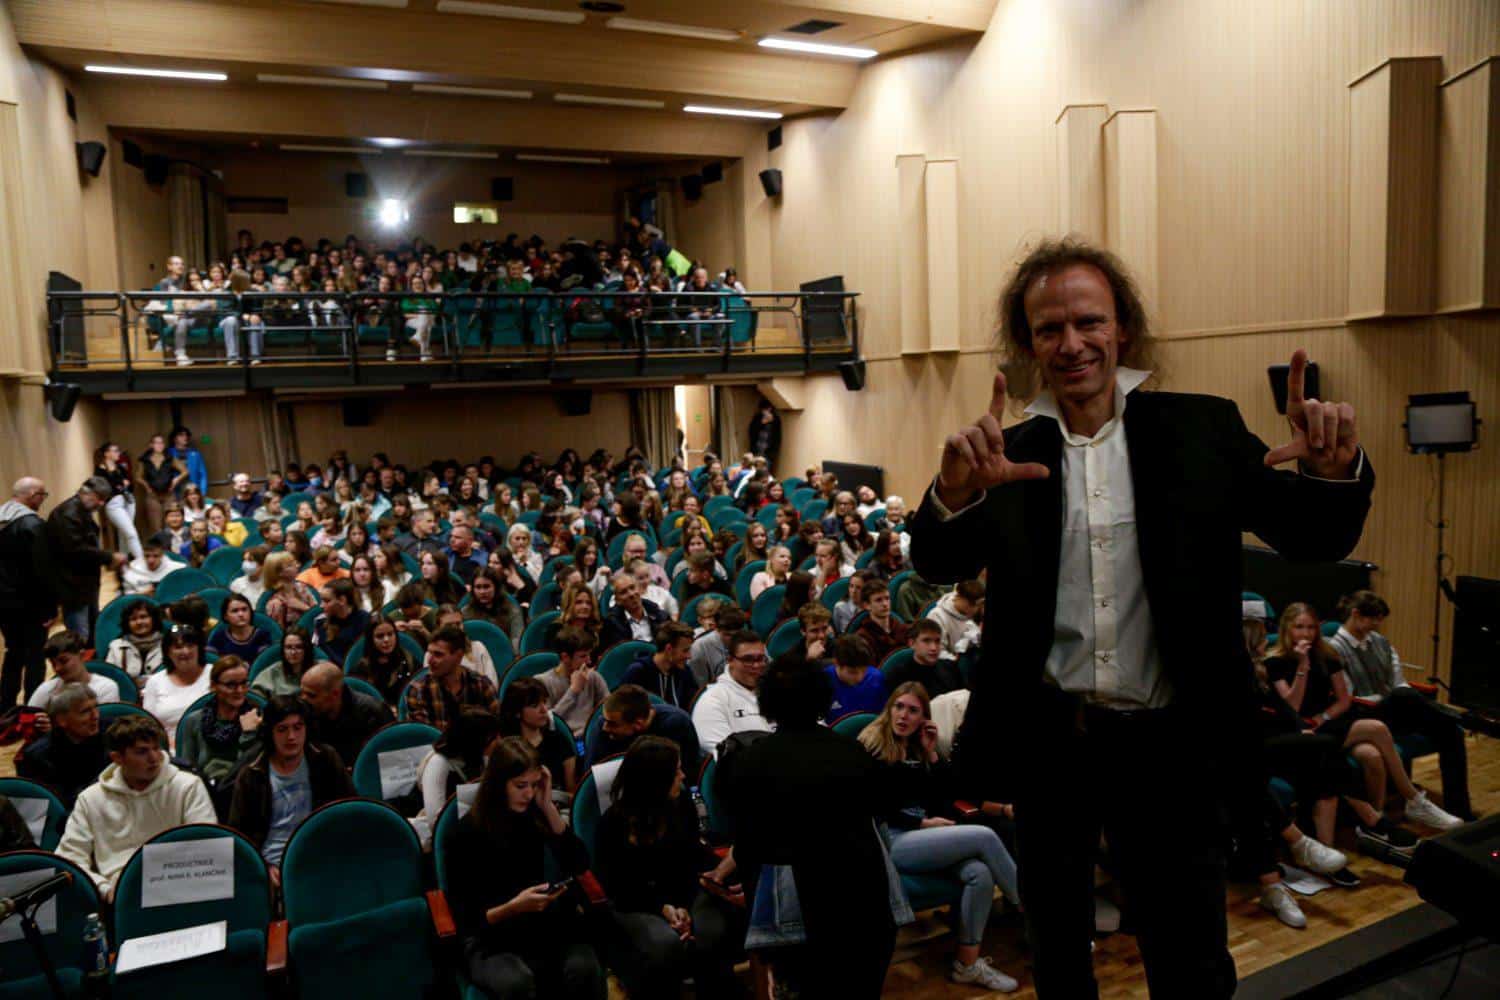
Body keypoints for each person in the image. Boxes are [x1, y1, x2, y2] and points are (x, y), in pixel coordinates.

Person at [910, 238, 1376, 997]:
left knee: (1189, 949)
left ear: (1122, 328)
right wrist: (956, 492)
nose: (1072, 345)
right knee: (1058, 948)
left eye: (1089, 322)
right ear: (1029, 343)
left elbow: (1314, 539)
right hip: (1055, 744)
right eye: (1050, 330)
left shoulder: (1202, 431)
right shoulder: (1009, 453)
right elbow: (933, 559)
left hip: (1172, 744)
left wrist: (1331, 474)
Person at [723, 662, 899, 999]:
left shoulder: (749, 761)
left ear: (768, 704)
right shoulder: (853, 752)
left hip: (803, 915)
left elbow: (750, 845)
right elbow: (879, 815)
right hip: (867, 905)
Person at [858, 682, 1021, 990]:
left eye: (913, 710)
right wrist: (921, 825)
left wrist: (932, 755)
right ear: (889, 708)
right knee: (984, 837)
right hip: (889, 839)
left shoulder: (918, 748)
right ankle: (1035, 913)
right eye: (899, 707)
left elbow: (948, 798)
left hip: (920, 837)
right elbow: (872, 805)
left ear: (924, 718)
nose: (904, 716)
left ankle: (967, 965)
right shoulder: (872, 745)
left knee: (979, 872)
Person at [1264, 603, 1460, 842]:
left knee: (1372, 756)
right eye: (1299, 627)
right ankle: (1411, 799)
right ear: (1286, 628)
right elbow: (1291, 706)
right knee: (1376, 732)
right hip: (1299, 728)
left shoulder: (1327, 655)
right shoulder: (1274, 661)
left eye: (1311, 628)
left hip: (1328, 720)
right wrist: (1302, 667)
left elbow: (1344, 700)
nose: (1305, 634)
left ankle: (1377, 822)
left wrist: (1323, 717)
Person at [444, 738, 607, 999]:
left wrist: (548, 807)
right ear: (498, 784)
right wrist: (513, 908)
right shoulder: (465, 833)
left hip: (543, 925)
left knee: (584, 967)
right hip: (493, 935)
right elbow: (466, 919)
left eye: (534, 785)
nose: (529, 794)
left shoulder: (536, 814)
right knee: (516, 982)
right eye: (521, 786)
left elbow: (580, 864)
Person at [597, 735, 745, 998]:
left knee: (712, 931)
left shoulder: (682, 804)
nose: (683, 776)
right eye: (676, 771)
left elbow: (692, 858)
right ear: (655, 780)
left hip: (685, 893)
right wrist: (664, 909)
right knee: (664, 944)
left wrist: (686, 907)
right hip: (636, 903)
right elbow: (619, 887)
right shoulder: (613, 824)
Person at [1330, 590, 1473, 821]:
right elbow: (1349, 695)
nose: (1377, 625)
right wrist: (1394, 698)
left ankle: (1459, 809)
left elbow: (1399, 682)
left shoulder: (1381, 643)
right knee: (1402, 697)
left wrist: (1400, 698)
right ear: (1355, 614)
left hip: (1394, 712)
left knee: (1450, 732)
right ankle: (1460, 716)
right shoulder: (1334, 648)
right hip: (1363, 715)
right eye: (1373, 618)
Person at [57, 713, 217, 899]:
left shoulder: (187, 786)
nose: (154, 758)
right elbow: (70, 857)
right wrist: (103, 888)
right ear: (117, 758)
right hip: (117, 894)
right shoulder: (91, 799)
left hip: (180, 885)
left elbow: (207, 848)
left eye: (156, 748)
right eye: (142, 752)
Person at [229, 695, 355, 887]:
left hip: (321, 856)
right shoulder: (252, 774)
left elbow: (349, 810)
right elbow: (240, 836)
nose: (291, 737)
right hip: (272, 865)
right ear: (269, 732)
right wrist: (263, 866)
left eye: (298, 727)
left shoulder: (325, 760)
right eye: (282, 729)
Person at [47, 476, 126, 642]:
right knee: (79, 636)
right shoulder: (68, 514)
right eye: (100, 499)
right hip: (73, 585)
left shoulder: (80, 511)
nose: (102, 504)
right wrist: (109, 556)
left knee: (91, 630)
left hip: (85, 583)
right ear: (87, 494)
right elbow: (76, 550)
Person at [1, 477, 57, 707]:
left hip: (3, 603)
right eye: (42, 495)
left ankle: (5, 706)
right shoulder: (32, 525)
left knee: (13, 653)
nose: (43, 500)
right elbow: (41, 571)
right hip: (30, 604)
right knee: (35, 657)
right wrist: (50, 608)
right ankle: (32, 709)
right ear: (32, 494)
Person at [413, 707, 503, 848]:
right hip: (450, 836)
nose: (500, 741)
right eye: (493, 737)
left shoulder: (482, 757)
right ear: (475, 740)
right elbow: (436, 821)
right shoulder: (438, 764)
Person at [15, 683, 110, 809]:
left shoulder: (111, 734)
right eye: (85, 711)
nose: (95, 716)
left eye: (95, 707)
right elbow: (54, 807)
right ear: (61, 720)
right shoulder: (38, 757)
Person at [177, 656, 262, 791]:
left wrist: (249, 734)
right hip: (203, 791)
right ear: (213, 686)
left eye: (244, 683)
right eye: (231, 685)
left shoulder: (257, 719)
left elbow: (252, 772)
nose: (239, 690)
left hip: (243, 793)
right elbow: (186, 770)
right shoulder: (194, 721)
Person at [586, 684, 701, 777]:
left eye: (612, 724)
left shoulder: (677, 725)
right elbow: (590, 780)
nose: (605, 727)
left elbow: (689, 774)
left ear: (638, 724)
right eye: (604, 720)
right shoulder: (602, 729)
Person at [691, 630, 770, 759]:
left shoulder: (777, 691)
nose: (756, 665)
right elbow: (725, 755)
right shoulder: (712, 701)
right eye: (748, 659)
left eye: (760, 659)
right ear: (730, 660)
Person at [405, 625, 500, 729]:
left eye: (438, 654)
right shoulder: (418, 690)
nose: (430, 661)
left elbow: (497, 730)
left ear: (458, 656)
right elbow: (424, 738)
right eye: (430, 653)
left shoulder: (482, 684)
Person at [298, 662, 392, 767]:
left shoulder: (374, 713)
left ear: (335, 694)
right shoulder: (305, 710)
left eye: (311, 695)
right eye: (301, 692)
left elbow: (388, 762)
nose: (303, 699)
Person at [499, 677, 578, 800]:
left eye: (544, 702)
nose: (544, 710)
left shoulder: (558, 740)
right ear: (517, 712)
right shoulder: (507, 749)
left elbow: (572, 792)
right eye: (535, 705)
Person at [143, 625, 214, 750]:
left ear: (199, 649)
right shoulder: (155, 681)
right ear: (168, 652)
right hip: (168, 749)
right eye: (178, 647)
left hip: (212, 743)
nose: (185, 651)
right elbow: (149, 725)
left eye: (190, 646)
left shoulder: (214, 674)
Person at [28, 631, 121, 715]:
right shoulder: (47, 689)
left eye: (63, 661)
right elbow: (26, 715)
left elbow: (99, 725)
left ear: (82, 656)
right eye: (53, 664)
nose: (57, 668)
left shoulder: (106, 688)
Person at [539, 626, 607, 740]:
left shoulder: (593, 677)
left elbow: (607, 709)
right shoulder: (543, 681)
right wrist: (573, 691)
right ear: (565, 657)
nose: (589, 661)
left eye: (589, 655)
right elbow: (548, 722)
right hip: (563, 740)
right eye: (583, 656)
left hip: (592, 736)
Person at [620, 622, 699, 710]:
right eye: (685, 651)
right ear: (669, 649)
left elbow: (694, 704)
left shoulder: (684, 671)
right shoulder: (637, 672)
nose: (689, 656)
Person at [885, 619, 966, 698]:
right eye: (926, 641)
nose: (933, 648)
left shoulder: (951, 668)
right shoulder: (898, 675)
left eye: (937, 641)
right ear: (912, 643)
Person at [350, 617, 421, 706]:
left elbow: (421, 686)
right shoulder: (361, 668)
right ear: (371, 640)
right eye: (380, 636)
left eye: (390, 634)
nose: (386, 640)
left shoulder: (408, 658)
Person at [93, 442, 144, 562]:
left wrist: (121, 485)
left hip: (129, 501)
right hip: (114, 504)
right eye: (115, 450)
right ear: (107, 453)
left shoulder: (121, 467)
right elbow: (105, 488)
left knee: (124, 534)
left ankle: (124, 563)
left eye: (118, 450)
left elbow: (129, 485)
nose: (118, 453)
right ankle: (143, 562)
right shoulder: (100, 470)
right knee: (131, 533)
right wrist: (121, 484)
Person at [600, 571, 670, 648]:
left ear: (639, 589)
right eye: (623, 592)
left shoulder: (658, 614)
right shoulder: (612, 623)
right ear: (617, 600)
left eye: (632, 587)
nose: (631, 594)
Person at [313, 578, 371, 667]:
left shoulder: (365, 620)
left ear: (342, 600)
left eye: (327, 601)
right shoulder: (321, 624)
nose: (321, 605)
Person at [826, 635, 889, 718]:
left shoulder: (876, 679)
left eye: (864, 670)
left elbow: (882, 717)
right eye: (852, 672)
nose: (860, 677)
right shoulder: (822, 681)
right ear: (837, 663)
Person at [136, 434, 186, 534]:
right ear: (151, 445)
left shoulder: (169, 458)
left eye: (161, 443)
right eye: (157, 443)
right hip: (153, 495)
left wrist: (176, 480)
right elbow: (138, 477)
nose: (159, 445)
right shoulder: (144, 460)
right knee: (155, 526)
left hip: (168, 494)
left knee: (171, 523)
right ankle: (159, 548)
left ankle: (171, 548)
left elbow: (185, 471)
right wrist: (146, 487)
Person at [103, 597, 164, 680]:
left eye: (143, 617)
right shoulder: (116, 646)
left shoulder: (167, 643)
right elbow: (109, 677)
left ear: (153, 619)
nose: (139, 622)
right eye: (133, 619)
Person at [687, 605, 746, 689]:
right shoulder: (699, 647)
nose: (733, 639)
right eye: (727, 635)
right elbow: (701, 688)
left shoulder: (750, 641)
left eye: (737, 634)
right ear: (716, 628)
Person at [854, 577, 909, 664]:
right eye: (878, 600)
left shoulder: (902, 629)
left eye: (887, 598)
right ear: (867, 605)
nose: (885, 604)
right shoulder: (863, 637)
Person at [464, 567, 526, 642]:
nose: (482, 592)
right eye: (478, 587)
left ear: (496, 588)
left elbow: (517, 640)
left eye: (486, 587)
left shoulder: (512, 611)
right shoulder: (466, 612)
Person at [927, 580, 983, 662]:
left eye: (978, 604)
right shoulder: (937, 616)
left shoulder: (977, 610)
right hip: (950, 663)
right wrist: (955, 659)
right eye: (971, 604)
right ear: (958, 597)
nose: (975, 609)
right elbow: (935, 651)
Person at [209, 592, 274, 662]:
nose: (241, 614)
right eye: (235, 611)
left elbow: (263, 663)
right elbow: (210, 661)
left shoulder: (262, 635)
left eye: (244, 609)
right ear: (225, 616)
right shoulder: (219, 637)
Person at [252, 627, 316, 698]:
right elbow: (256, 697)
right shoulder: (272, 673)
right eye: (288, 647)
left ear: (307, 648)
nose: (293, 652)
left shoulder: (319, 669)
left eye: (299, 647)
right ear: (283, 650)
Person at [263, 551, 318, 632]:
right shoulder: (274, 602)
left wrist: (304, 608)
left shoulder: (301, 587)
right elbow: (277, 633)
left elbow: (318, 615)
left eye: (295, 562)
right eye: (290, 565)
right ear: (279, 573)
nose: (297, 565)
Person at [167, 426, 209, 495]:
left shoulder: (195, 454)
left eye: (186, 435)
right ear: (174, 438)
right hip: (175, 492)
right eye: (181, 435)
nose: (185, 437)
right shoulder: (168, 453)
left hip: (193, 491)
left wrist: (202, 493)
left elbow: (203, 475)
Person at [747, 399, 781, 469]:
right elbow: (751, 432)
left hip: (768, 453)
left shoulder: (776, 420)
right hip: (756, 450)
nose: (764, 412)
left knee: (765, 471)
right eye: (763, 410)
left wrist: (773, 454)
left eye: (767, 409)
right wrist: (762, 423)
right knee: (754, 470)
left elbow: (777, 438)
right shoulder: (757, 418)